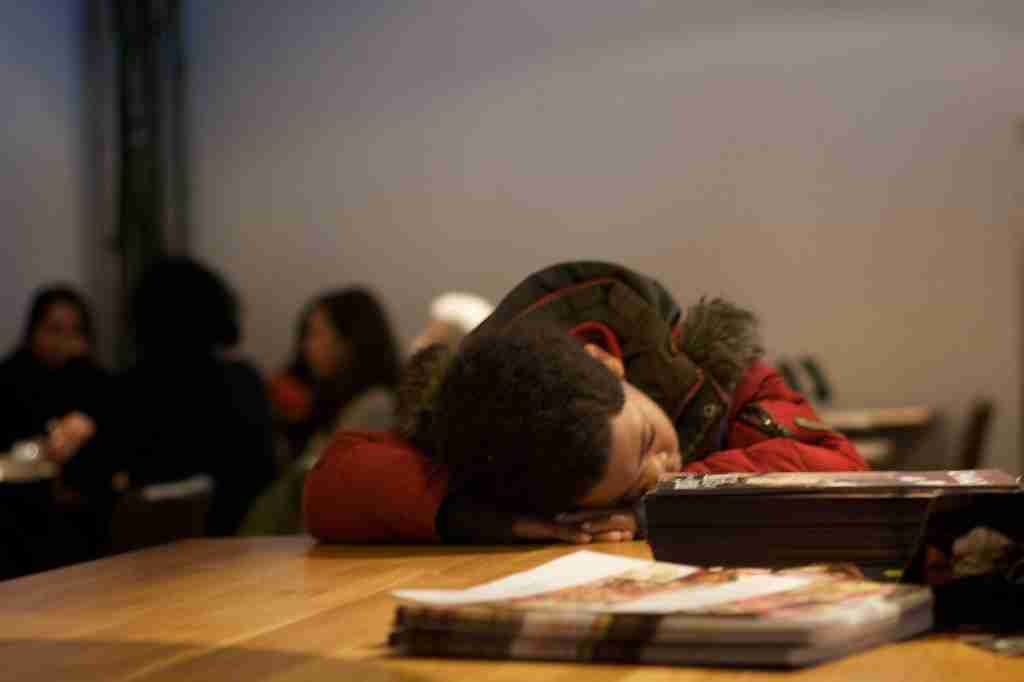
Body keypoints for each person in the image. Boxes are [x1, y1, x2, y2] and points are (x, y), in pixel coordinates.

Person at [303, 261, 866, 544]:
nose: (656, 472)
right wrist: (492, 519)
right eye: (626, 489)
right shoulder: (486, 428)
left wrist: (657, 509)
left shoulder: (715, 370)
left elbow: (844, 468)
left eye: (647, 440)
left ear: (606, 361)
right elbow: (332, 485)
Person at [115, 258, 276, 536]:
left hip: (146, 550)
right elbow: (262, 472)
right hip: (240, 542)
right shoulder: (242, 382)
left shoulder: (131, 388)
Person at [240, 288, 401, 534]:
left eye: (315, 334)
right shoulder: (338, 402)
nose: (306, 347)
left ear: (349, 341)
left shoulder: (374, 407)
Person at [0, 285, 112, 577]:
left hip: (81, 515)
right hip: (21, 515)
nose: (64, 341)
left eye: (74, 332)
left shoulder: (91, 380)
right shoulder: (10, 379)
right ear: (33, 331)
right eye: (54, 329)